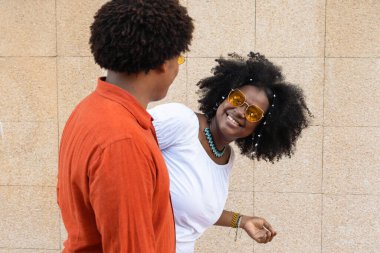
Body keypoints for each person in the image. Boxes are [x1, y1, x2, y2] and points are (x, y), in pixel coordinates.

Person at [57, 0, 193, 252]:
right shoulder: (123, 141)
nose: (177, 67)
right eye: (179, 59)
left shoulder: (89, 109)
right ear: (163, 62)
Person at [148, 52, 312, 253]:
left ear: (259, 127)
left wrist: (242, 221)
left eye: (253, 113)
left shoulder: (226, 157)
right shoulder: (180, 121)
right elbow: (118, 147)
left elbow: (194, 210)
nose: (241, 112)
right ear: (224, 95)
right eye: (237, 98)